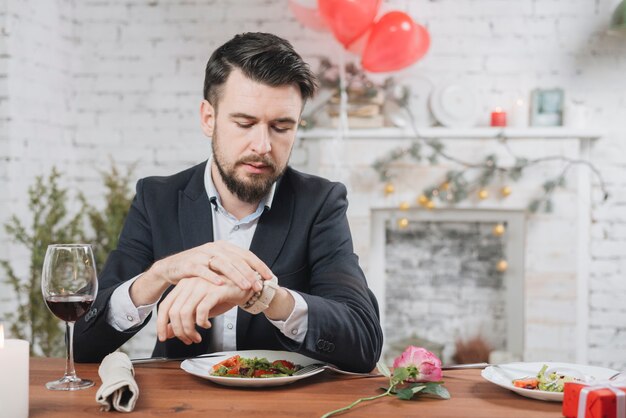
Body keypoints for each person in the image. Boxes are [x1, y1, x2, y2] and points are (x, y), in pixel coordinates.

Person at [74, 32, 383, 372]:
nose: (262, 145)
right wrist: (161, 273)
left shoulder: (320, 203)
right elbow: (82, 342)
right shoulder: (156, 199)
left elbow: (365, 342)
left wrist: (265, 298)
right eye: (245, 123)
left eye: (281, 127)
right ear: (209, 118)